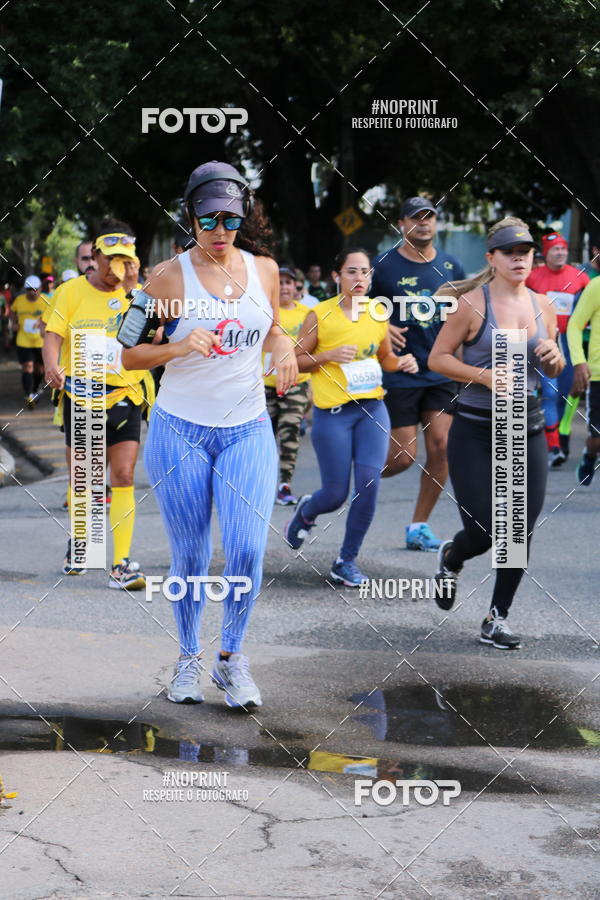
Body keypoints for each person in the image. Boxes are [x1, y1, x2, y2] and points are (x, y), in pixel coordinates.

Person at [121, 160, 297, 708]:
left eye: (230, 220)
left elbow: (275, 326)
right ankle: (189, 658)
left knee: (246, 547)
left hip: (246, 428)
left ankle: (232, 659)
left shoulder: (263, 270)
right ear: (190, 217)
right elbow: (128, 353)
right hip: (180, 430)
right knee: (192, 556)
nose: (220, 232)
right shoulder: (166, 277)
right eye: (208, 220)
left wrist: (286, 346)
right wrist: (174, 346)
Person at [429, 218, 564, 650]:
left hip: (527, 427)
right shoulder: (471, 304)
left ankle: (496, 617)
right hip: (475, 429)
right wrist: (484, 376)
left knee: (518, 531)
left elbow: (552, 366)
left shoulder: (545, 306)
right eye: (510, 251)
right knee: (487, 530)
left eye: (525, 251)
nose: (520, 257)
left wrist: (554, 356)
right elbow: (438, 359)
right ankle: (453, 556)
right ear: (492, 258)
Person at [286, 248, 418, 586]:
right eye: (352, 272)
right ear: (336, 277)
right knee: (334, 494)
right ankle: (307, 510)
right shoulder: (320, 314)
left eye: (365, 272)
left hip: (372, 409)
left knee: (369, 485)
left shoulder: (377, 312)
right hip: (333, 415)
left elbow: (385, 357)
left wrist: (402, 363)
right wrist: (327, 355)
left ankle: (346, 560)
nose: (360, 279)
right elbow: (295, 361)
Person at [43, 220, 150, 590]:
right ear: (97, 257)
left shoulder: (138, 296)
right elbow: (53, 334)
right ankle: (82, 543)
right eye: (111, 259)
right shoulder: (71, 291)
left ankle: (121, 563)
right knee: (85, 480)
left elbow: (149, 339)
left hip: (125, 395)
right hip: (81, 395)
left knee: (123, 476)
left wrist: (136, 291)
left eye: (126, 259)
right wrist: (50, 363)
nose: (116, 267)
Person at [371, 196, 466, 551]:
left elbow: (462, 316)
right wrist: (380, 329)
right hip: (399, 371)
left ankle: (418, 526)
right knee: (402, 457)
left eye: (429, 217)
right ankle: (349, 484)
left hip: (441, 370)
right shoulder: (382, 266)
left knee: (442, 447)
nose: (423, 223)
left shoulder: (452, 266)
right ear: (402, 224)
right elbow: (354, 307)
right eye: (416, 218)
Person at [526, 232, 589, 466]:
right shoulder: (533, 278)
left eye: (563, 249)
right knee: (550, 394)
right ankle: (552, 445)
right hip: (542, 341)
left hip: (570, 343)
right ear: (546, 253)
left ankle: (561, 437)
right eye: (555, 250)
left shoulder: (579, 277)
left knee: (568, 394)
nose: (561, 253)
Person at [264, 264, 311, 505]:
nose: (284, 287)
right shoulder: (265, 312)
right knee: (263, 436)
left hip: (296, 382)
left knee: (290, 431)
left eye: (288, 282)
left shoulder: (306, 314)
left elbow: (314, 349)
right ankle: (262, 484)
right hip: (265, 384)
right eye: (279, 282)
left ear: (296, 287)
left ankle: (284, 484)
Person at [567, 275, 600, 485]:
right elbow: (575, 325)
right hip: (598, 375)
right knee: (597, 439)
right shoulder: (596, 286)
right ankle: (590, 454)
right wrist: (579, 362)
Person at [10, 275, 45, 408]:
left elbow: (53, 316)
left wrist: (43, 325)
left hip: (40, 342)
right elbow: (12, 312)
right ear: (25, 289)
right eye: (29, 289)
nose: (32, 292)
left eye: (35, 289)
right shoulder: (19, 300)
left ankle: (36, 389)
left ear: (40, 289)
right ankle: (28, 395)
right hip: (23, 340)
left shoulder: (46, 301)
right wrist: (13, 323)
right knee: (27, 367)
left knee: (38, 369)